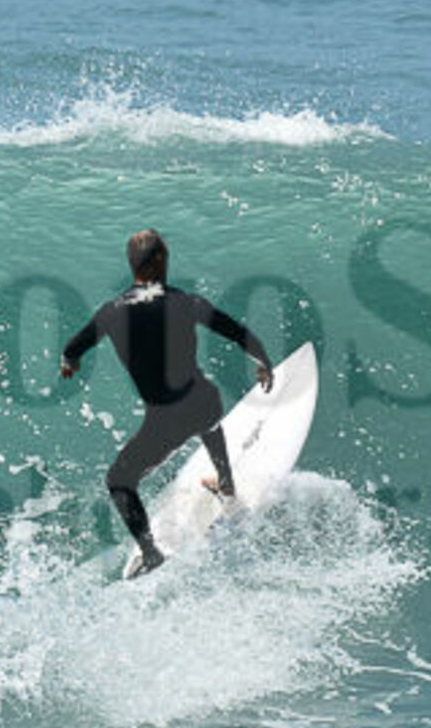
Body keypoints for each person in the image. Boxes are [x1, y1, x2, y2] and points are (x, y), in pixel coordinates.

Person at [61, 228, 274, 576]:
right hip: (205, 401)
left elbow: (72, 348)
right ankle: (225, 482)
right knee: (207, 419)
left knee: (119, 481)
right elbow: (239, 333)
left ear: (134, 265)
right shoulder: (188, 303)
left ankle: (151, 554)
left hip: (165, 421)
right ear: (159, 261)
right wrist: (263, 362)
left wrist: (70, 363)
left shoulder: (111, 313)